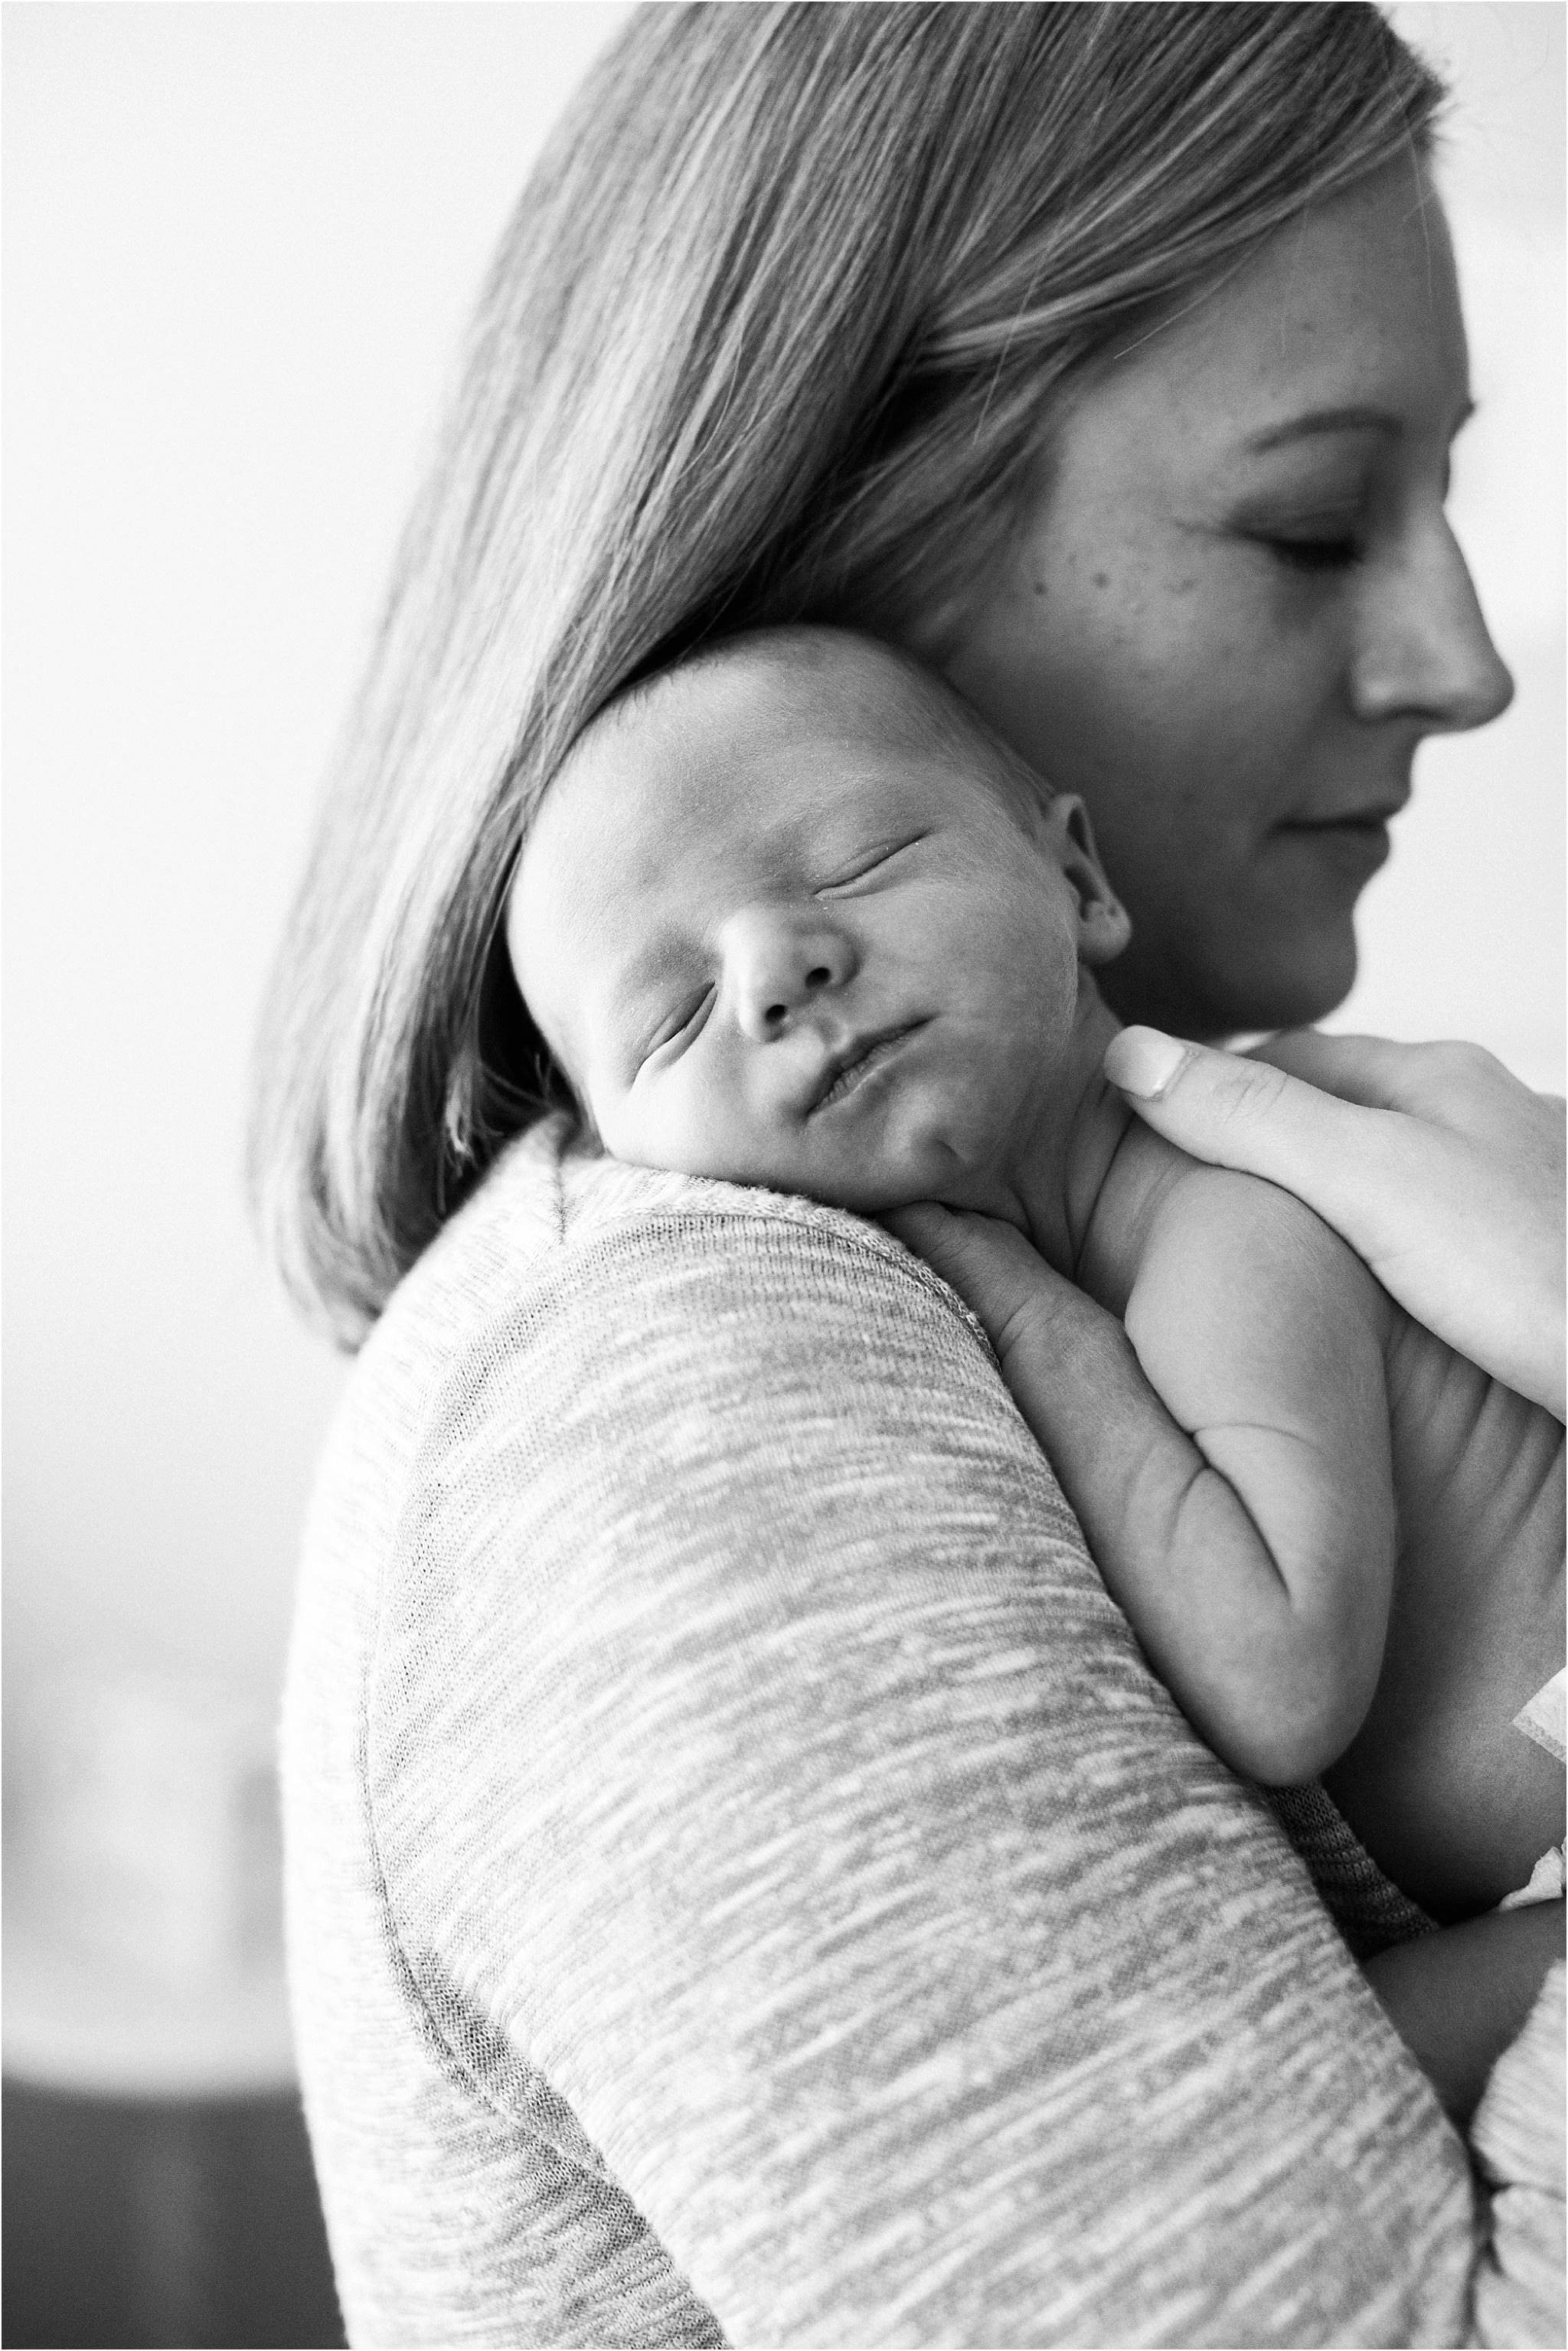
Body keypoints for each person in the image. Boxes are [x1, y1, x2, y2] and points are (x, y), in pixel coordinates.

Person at [254, 8, 1563, 2343]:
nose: (1465, 662)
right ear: (838, 541)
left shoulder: (1154, 1205)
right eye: (1303, 520)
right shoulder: (693, 1383)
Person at [508, 621, 1565, 2120]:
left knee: (1284, 2085)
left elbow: (1277, 1677)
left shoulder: (1229, 1224)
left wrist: (1022, 1313)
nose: (775, 971)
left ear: (1076, 879)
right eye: (671, 1015)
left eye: (858, 859)